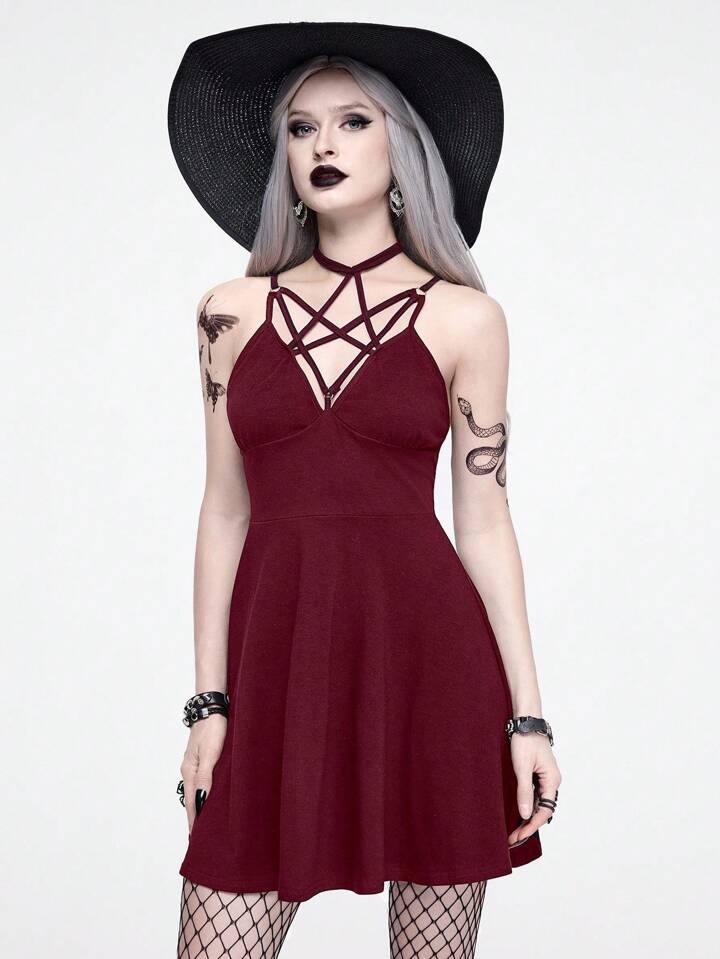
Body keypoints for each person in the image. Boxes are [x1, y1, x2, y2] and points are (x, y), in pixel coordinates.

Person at [168, 21, 562, 959]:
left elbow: (485, 522)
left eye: (353, 122)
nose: (324, 145)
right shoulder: (229, 312)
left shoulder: (467, 317)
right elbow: (224, 510)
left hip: (429, 663)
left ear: (401, 148)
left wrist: (528, 717)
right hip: (278, 665)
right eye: (301, 128)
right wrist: (209, 704)